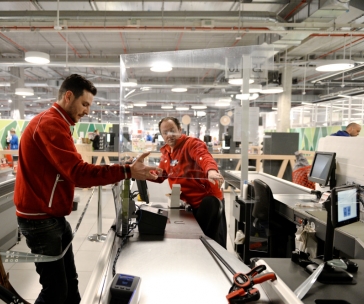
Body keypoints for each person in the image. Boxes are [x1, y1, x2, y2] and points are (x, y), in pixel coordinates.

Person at [14, 74, 161, 304]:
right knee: (55, 292)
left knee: (70, 286)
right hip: (40, 221)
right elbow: (79, 173)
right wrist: (126, 171)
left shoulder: (59, 123)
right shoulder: (50, 124)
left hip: (52, 216)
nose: (87, 111)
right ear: (68, 96)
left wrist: (126, 170)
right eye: (85, 104)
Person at [149, 117, 227, 248]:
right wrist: (140, 172)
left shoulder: (191, 144)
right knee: (196, 244)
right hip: (189, 205)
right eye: (165, 132)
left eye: (172, 131)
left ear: (180, 130)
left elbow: (204, 157)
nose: (169, 135)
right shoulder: (167, 152)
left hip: (207, 204)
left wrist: (211, 171)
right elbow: (160, 175)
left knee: (214, 245)